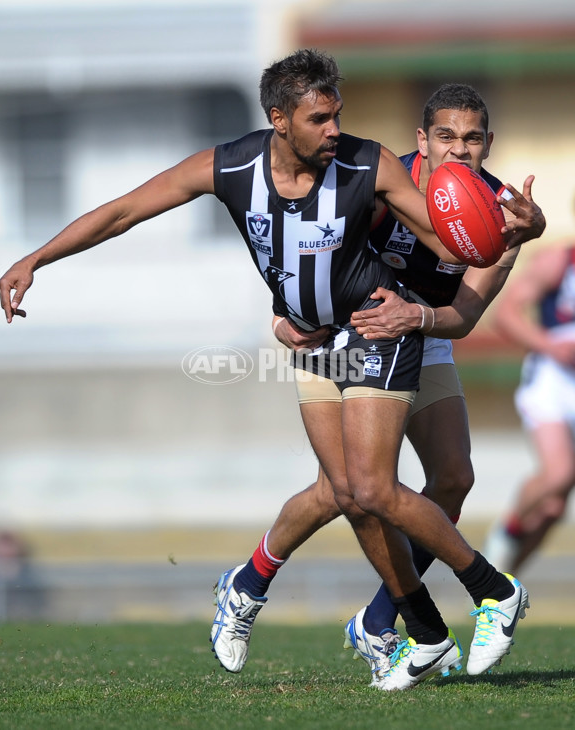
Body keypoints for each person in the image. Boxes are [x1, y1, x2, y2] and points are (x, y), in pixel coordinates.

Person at [0, 51, 533, 692]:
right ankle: (415, 630)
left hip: (377, 327)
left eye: (338, 115)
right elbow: (123, 212)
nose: (336, 130)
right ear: (279, 120)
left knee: (375, 487)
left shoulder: (368, 163)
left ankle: (493, 592)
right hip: (311, 343)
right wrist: (36, 259)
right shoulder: (230, 167)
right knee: (349, 495)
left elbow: (453, 246)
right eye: (320, 119)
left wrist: (518, 232)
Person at [210, 83, 545, 688]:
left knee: (450, 478)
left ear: (488, 144)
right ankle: (256, 584)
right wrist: (287, 314)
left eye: (472, 139)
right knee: (346, 490)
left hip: (422, 329)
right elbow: (310, 247)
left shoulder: (504, 215)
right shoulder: (384, 179)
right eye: (446, 136)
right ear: (423, 140)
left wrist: (416, 315)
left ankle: (380, 617)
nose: (459, 150)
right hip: (345, 330)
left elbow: (465, 315)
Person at [483, 242, 575, 573]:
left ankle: (502, 590)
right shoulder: (558, 261)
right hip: (554, 380)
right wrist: (549, 345)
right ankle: (507, 530)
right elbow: (506, 314)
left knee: (553, 509)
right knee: (559, 473)